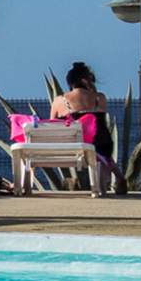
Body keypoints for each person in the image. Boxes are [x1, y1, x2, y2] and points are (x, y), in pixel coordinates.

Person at [52, 61, 116, 192]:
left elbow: (53, 124)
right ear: (85, 81)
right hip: (100, 148)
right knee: (100, 140)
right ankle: (107, 178)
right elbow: (101, 121)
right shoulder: (100, 98)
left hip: (70, 148)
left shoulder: (59, 101)